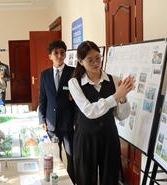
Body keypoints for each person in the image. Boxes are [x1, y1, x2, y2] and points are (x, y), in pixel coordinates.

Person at [68, 41, 135, 185]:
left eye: (98, 58)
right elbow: (89, 111)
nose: (95, 63)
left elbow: (121, 115)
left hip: (109, 136)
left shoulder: (114, 80)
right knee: (85, 178)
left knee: (110, 178)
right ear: (81, 61)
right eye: (90, 60)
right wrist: (116, 96)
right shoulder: (74, 83)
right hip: (85, 138)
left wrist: (123, 98)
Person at [38, 40, 76, 184]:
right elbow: (42, 99)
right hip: (51, 124)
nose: (60, 56)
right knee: (53, 156)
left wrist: (76, 121)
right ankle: (55, 181)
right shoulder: (45, 74)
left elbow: (78, 102)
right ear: (50, 56)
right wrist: (42, 119)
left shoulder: (73, 72)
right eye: (56, 53)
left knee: (71, 156)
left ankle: (72, 180)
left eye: (62, 53)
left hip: (69, 124)